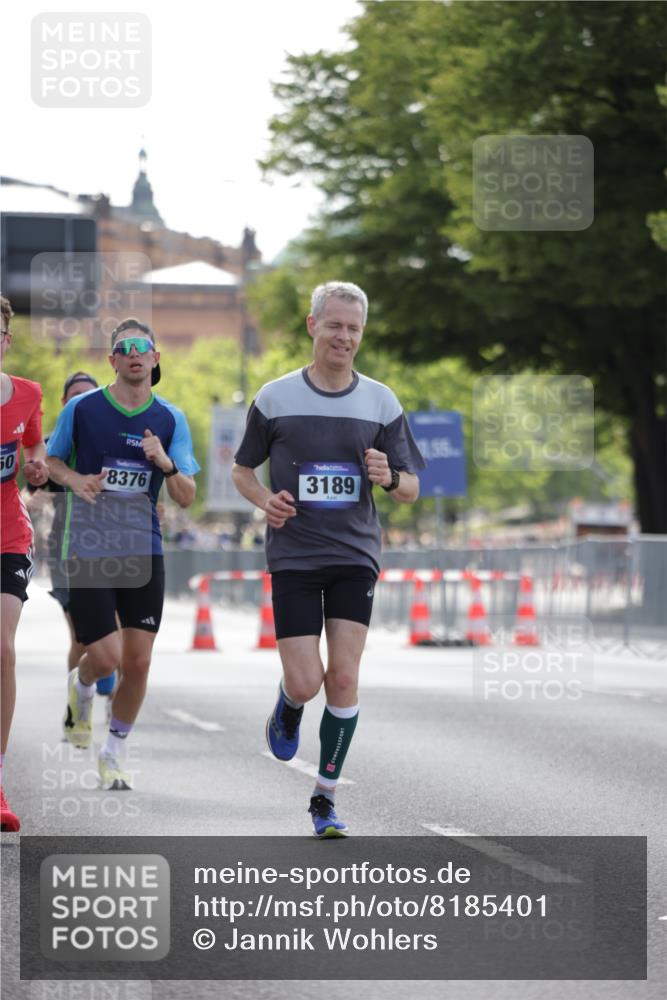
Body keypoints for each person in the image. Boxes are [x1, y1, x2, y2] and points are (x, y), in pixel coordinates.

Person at [232, 281, 425, 837]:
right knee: (307, 679)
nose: (344, 336)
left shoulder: (381, 402)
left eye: (354, 328)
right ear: (314, 325)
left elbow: (410, 488)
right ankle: (289, 704)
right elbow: (243, 469)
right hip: (294, 553)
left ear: (362, 334)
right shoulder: (274, 397)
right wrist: (264, 499)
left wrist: (390, 477)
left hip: (355, 553)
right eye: (335, 325)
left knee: (342, 677)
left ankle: (325, 797)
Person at [46, 318, 199, 790]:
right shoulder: (83, 409)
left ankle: (114, 751)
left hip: (143, 550)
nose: (134, 354)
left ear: (155, 360)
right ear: (112, 360)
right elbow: (53, 461)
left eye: (143, 347)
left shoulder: (170, 419)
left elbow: (187, 494)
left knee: (138, 662)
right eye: (124, 347)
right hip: (88, 547)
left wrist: (164, 462)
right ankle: (83, 684)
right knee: (107, 657)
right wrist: (75, 480)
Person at [26, 372, 117, 722]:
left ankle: (114, 709)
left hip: (119, 548)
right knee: (82, 639)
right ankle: (78, 706)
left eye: (89, 395)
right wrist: (34, 498)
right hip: (70, 551)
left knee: (119, 636)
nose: (82, 401)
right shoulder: (53, 449)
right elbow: (32, 489)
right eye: (75, 395)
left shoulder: (116, 440)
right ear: (65, 404)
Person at [0, 295, 49, 831]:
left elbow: (33, 453)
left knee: (2, 649)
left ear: (6, 340)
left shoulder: (28, 394)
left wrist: (36, 473)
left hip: (6, 532)